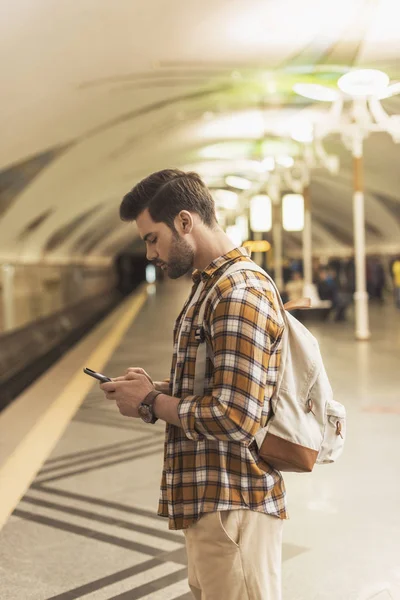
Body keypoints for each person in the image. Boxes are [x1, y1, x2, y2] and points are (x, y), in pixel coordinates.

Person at [100, 169, 287, 600]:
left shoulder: (237, 292)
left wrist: (151, 400)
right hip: (213, 503)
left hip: (234, 504)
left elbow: (237, 416)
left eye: (152, 238)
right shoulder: (211, 286)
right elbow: (222, 384)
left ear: (185, 222)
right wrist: (155, 391)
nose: (150, 253)